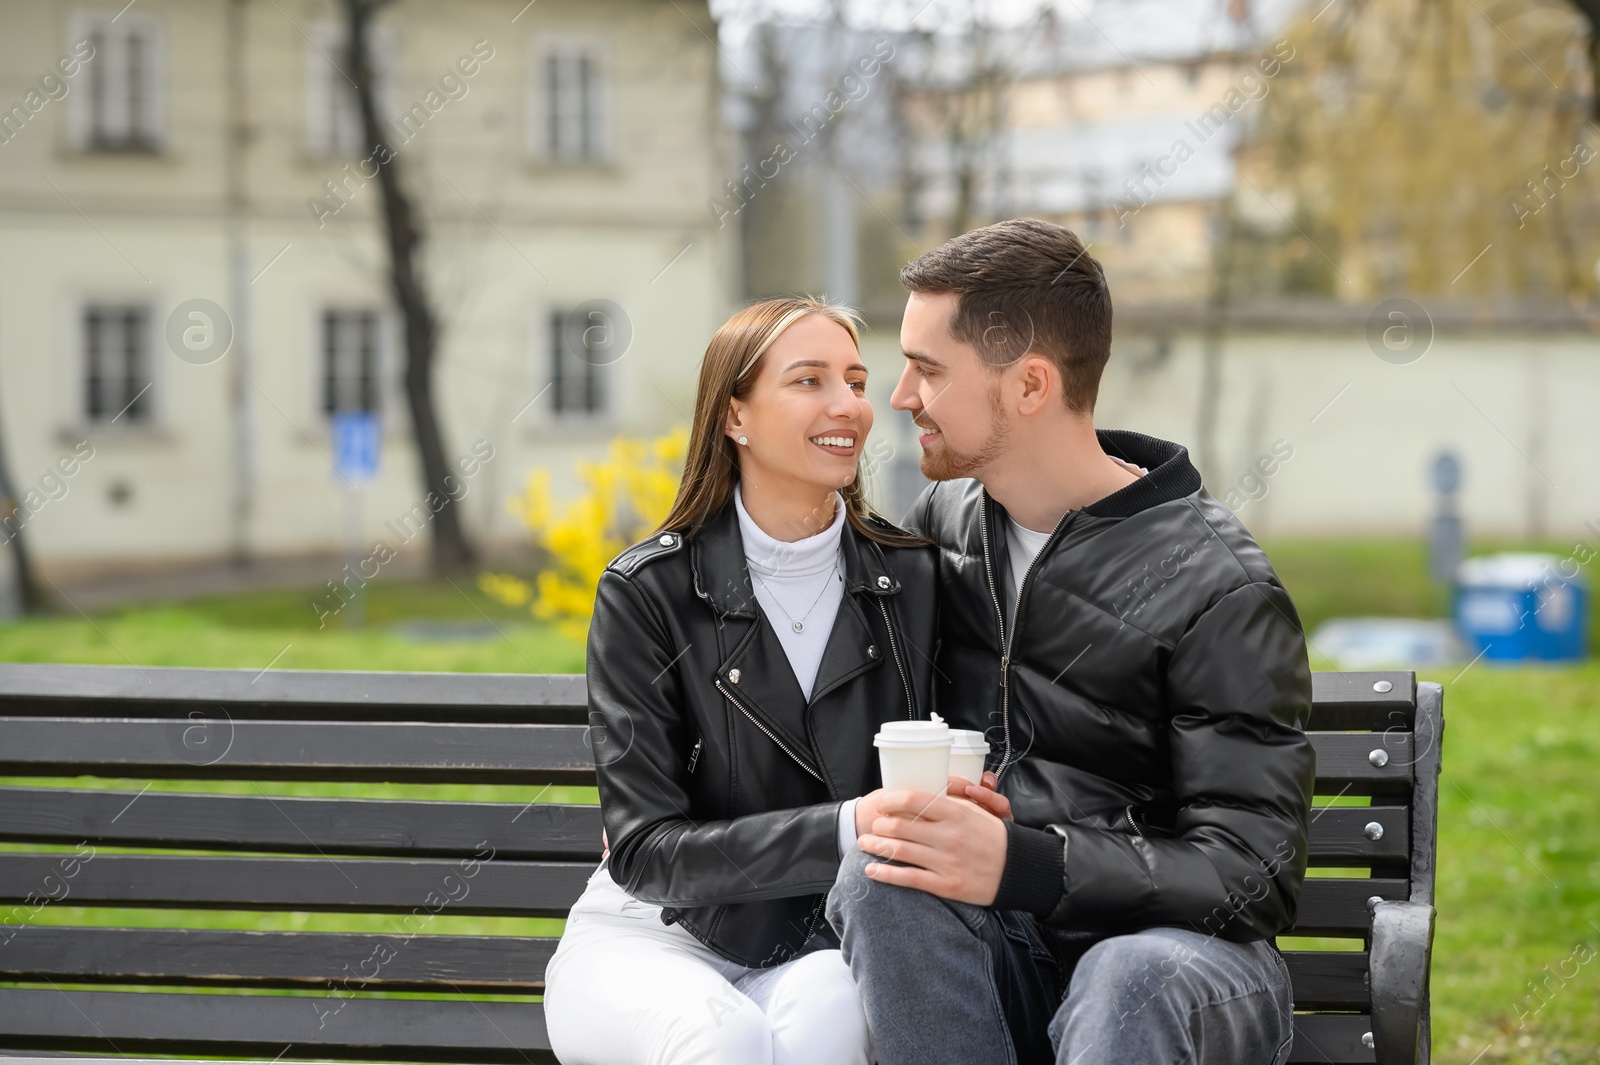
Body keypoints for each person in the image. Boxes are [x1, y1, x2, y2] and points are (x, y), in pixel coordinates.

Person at [826, 218, 1316, 1065]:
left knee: (1129, 975)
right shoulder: (946, 527)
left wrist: (1028, 864)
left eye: (928, 369)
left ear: (1030, 385)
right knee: (882, 876)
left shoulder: (1218, 586)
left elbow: (1252, 876)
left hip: (1185, 967)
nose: (900, 397)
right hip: (1013, 949)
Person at [545, 297, 938, 1065]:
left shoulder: (915, 579)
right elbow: (649, 852)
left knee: (835, 1007)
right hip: (651, 936)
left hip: (811, 941)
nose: (848, 406)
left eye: (857, 380)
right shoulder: (649, 591)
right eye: (809, 380)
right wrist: (850, 826)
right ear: (734, 415)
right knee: (721, 1037)